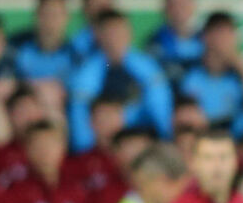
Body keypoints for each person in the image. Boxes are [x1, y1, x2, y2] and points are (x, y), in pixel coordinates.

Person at [68, 9, 173, 150]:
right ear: (98, 36)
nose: (115, 39)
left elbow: (161, 109)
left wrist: (166, 139)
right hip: (101, 145)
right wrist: (85, 152)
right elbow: (79, 117)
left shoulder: (145, 66)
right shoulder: (87, 72)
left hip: (140, 138)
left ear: (129, 34)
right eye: (110, 33)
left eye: (120, 32)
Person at [178, 12, 243, 136]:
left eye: (229, 34)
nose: (224, 41)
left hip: (239, 141)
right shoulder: (190, 72)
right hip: (202, 139)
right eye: (219, 34)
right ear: (206, 37)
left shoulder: (242, 74)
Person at [12, 0, 77, 87]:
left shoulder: (76, 55)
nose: (50, 21)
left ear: (67, 18)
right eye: (45, 13)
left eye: (56, 15)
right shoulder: (16, 47)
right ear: (36, 15)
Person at [146, 0, 203, 85]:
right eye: (173, 3)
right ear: (165, 7)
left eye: (183, 2)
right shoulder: (155, 42)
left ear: (193, 4)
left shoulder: (207, 40)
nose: (178, 9)